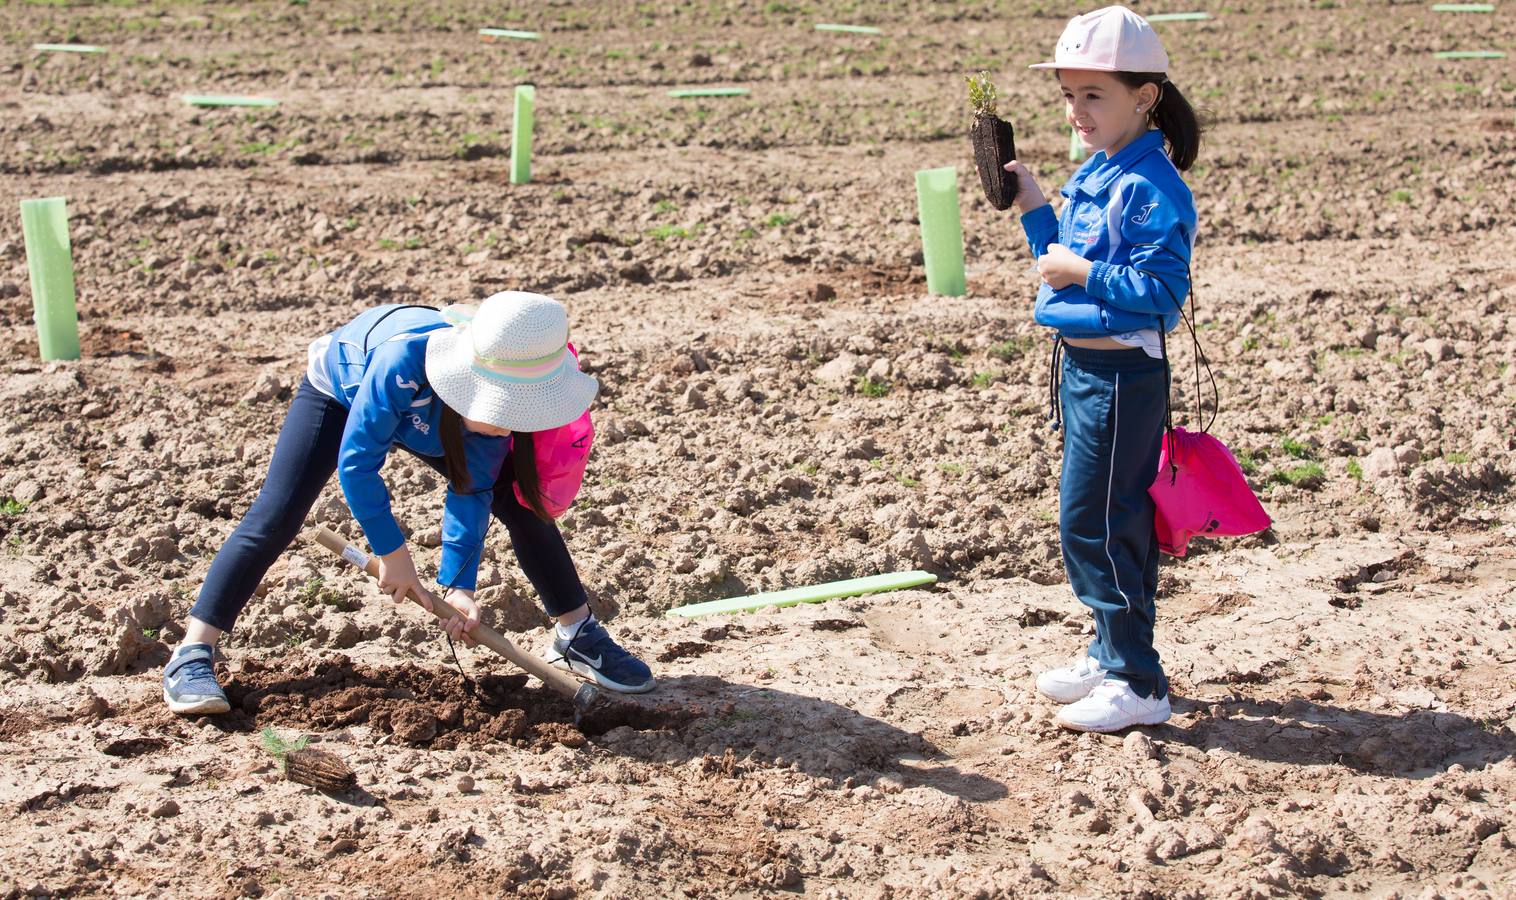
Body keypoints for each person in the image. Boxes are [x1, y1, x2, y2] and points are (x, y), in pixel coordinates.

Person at [161, 291, 656, 715]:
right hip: (342, 393)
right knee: (277, 515)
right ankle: (192, 652)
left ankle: (578, 634)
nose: (512, 422)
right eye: (506, 405)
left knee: (521, 506)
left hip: (445, 416)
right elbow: (358, 465)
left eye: (523, 410)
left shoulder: (493, 422)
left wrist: (458, 586)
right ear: (477, 382)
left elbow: (471, 490)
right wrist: (394, 554)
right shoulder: (401, 364)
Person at [1000, 6, 1203, 732]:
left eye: (1095, 94)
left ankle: (1136, 680)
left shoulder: (1151, 186)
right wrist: (1035, 207)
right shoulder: (1103, 170)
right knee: (1095, 520)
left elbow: (1159, 295)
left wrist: (1080, 266)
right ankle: (1109, 646)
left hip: (1122, 381)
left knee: (1100, 523)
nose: (1077, 110)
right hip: (1086, 374)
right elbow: (1062, 262)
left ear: (1144, 96)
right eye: (1068, 94)